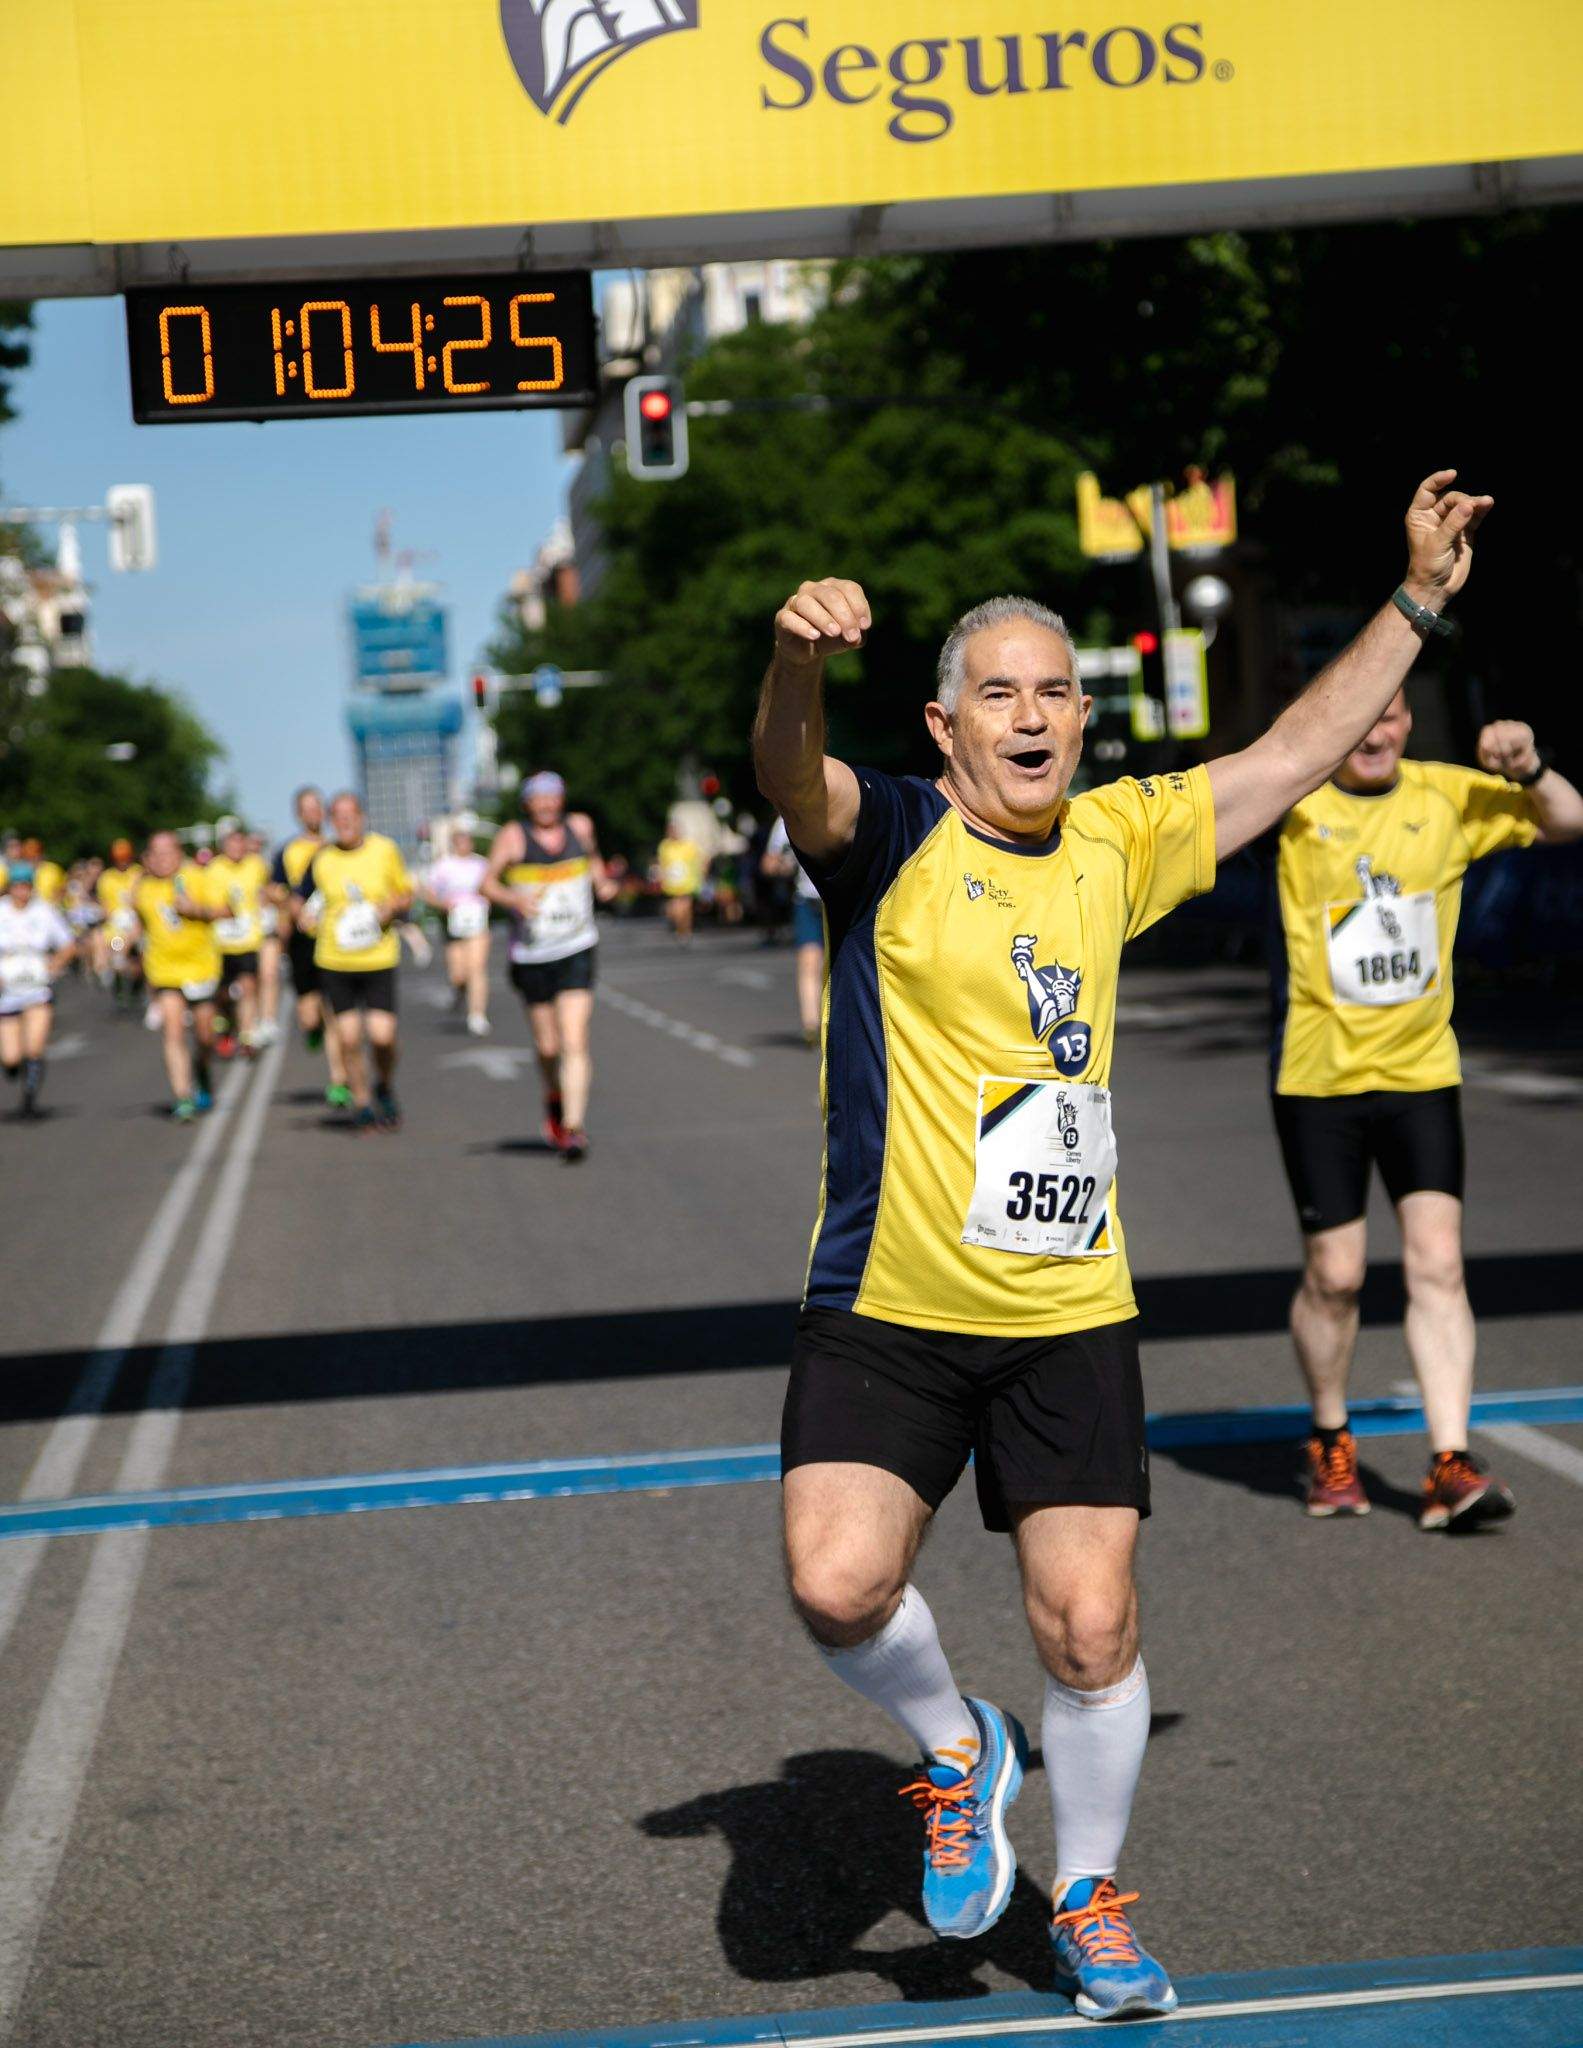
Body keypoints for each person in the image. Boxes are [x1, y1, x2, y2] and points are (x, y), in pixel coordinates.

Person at [753, 472, 1490, 2022]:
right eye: (995, 694)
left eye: (1053, 693)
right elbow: (787, 771)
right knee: (833, 1584)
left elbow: (1289, 753)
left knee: (1089, 1626)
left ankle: (1083, 1902)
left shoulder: (1115, 840)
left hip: (1066, 1311)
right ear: (943, 725)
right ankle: (957, 1745)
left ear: (1081, 720)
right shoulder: (885, 835)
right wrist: (794, 662)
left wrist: (1415, 600)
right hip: (886, 1302)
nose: (1029, 715)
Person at [1266, 695, 1583, 1530]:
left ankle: (1449, 1460)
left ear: (1408, 723)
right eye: (1360, 717)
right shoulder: (1293, 798)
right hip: (1318, 1078)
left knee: (1437, 1262)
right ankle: (1328, 1440)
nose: (1374, 732)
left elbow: (1566, 819)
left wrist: (1531, 766)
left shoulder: (1445, 794)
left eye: (1391, 716)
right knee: (1335, 1276)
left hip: (1419, 1074)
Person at [483, 770, 615, 1162]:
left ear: (561, 799)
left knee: (574, 1040)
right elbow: (486, 883)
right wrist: (513, 899)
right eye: (538, 798)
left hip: (576, 946)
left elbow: (593, 859)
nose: (546, 804)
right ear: (527, 803)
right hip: (532, 955)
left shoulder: (580, 827)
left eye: (552, 796)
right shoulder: (513, 836)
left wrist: (601, 881)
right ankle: (554, 1096)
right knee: (548, 1046)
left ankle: (573, 1128)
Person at [296, 791, 413, 1132]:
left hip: (378, 958)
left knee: (382, 1036)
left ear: (362, 817)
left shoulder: (384, 850)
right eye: (338, 815)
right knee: (348, 1039)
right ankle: (362, 1101)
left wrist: (392, 907)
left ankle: (384, 1085)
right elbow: (302, 899)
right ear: (331, 821)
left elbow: (406, 893)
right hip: (335, 960)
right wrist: (302, 916)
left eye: (351, 814)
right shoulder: (322, 858)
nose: (345, 821)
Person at [130, 829, 226, 1121]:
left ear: (178, 853)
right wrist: (120, 945)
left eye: (167, 853)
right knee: (173, 1031)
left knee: (205, 1035)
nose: (162, 859)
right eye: (156, 854)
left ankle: (202, 1071)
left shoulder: (198, 877)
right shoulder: (143, 888)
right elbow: (140, 925)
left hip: (201, 968)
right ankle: (182, 1096)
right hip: (164, 971)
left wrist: (194, 909)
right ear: (148, 857)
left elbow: (226, 910)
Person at [271, 786, 351, 1109]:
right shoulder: (287, 851)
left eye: (317, 806)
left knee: (335, 1012)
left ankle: (339, 1080)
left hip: (334, 938)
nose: (313, 813)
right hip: (302, 940)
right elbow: (275, 889)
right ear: (298, 814)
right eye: (306, 808)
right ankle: (312, 1028)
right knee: (309, 1015)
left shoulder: (337, 848)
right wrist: (292, 906)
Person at [0, 861, 77, 1118]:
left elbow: (68, 944)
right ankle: (15, 1068)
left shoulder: (44, 911)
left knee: (34, 1048)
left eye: (26, 886)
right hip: (8, 992)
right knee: (10, 1057)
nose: (21, 891)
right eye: (17, 886)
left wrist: (54, 965)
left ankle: (29, 1097)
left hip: (37, 988)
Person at [423, 825, 493, 1034]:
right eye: (459, 842)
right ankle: (461, 992)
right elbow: (428, 892)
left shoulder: (481, 864)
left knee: (476, 968)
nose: (463, 845)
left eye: (466, 841)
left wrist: (488, 899)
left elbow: (492, 887)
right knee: (458, 975)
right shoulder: (444, 865)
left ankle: (477, 1015)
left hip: (478, 922)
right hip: (454, 924)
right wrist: (443, 904)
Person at [210, 823, 271, 1056]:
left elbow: (264, 891)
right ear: (223, 845)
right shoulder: (213, 869)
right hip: (221, 942)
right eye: (231, 842)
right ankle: (226, 1026)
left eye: (239, 841)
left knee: (248, 986)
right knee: (224, 992)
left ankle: (247, 1035)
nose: (236, 847)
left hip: (248, 939)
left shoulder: (256, 865)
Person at [763, 814, 824, 1045]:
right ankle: (811, 1026)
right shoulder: (784, 822)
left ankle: (837, 1024)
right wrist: (784, 865)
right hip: (807, 900)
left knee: (841, 964)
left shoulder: (845, 803)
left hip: (841, 900)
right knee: (809, 962)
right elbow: (768, 864)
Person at [96, 838, 144, 1008]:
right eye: (119, 858)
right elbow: (104, 907)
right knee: (100, 939)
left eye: (125, 857)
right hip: (116, 926)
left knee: (132, 938)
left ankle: (121, 962)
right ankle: (107, 973)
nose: (122, 861)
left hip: (136, 922)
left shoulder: (139, 873)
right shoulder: (106, 878)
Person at [656, 818, 704, 941]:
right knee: (675, 909)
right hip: (672, 883)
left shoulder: (688, 846)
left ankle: (686, 930)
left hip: (687, 882)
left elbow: (697, 862)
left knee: (686, 907)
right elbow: (662, 863)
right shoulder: (665, 846)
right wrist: (662, 876)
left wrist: (699, 877)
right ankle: (680, 929)